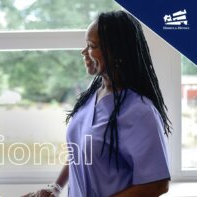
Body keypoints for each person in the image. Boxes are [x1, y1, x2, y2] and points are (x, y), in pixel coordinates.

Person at [23, 10, 171, 197]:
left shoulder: (140, 112)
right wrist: (56, 187)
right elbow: (83, 151)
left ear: (116, 53)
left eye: (92, 46)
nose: (84, 52)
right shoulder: (92, 96)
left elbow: (157, 184)